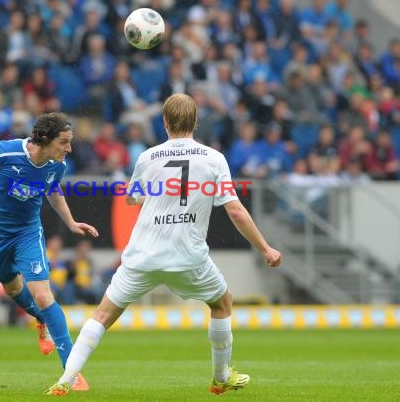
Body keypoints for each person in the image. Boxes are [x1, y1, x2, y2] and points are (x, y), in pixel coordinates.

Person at [44, 93, 282, 396]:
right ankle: (220, 377)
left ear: (165, 122)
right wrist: (265, 248)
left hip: (143, 256)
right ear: (195, 122)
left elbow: (132, 198)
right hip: (188, 258)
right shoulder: (213, 158)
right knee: (222, 303)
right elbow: (234, 210)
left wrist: (154, 195)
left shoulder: (147, 157)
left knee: (102, 315)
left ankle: (66, 379)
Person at [0, 112, 98, 391]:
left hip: (28, 231)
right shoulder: (6, 151)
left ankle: (71, 371)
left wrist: (71, 221)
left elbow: (53, 190)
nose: (69, 149)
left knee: (43, 294)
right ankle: (41, 320)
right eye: (64, 142)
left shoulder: (57, 164)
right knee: (12, 287)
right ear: (44, 138)